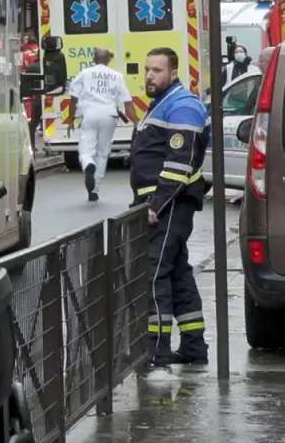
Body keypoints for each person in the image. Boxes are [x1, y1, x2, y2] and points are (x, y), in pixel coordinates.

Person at [129, 47, 209, 366]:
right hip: (165, 203)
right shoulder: (163, 104)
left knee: (153, 272)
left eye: (157, 70)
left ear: (173, 73)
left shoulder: (182, 106)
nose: (149, 75)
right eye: (147, 69)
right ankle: (193, 346)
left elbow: (180, 162)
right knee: (177, 273)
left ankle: (157, 350)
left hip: (168, 204)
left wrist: (156, 205)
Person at [65, 48, 136, 202]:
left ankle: (88, 164)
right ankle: (94, 190)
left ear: (94, 58)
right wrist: (137, 121)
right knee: (103, 153)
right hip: (108, 115)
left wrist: (71, 119)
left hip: (89, 114)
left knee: (86, 148)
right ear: (108, 60)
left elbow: (74, 97)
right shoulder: (117, 76)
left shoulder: (84, 74)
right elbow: (127, 102)